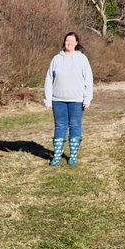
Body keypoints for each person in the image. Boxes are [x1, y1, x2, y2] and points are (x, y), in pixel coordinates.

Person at [43, 31, 94, 166]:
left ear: (76, 43)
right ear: (64, 42)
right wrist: (48, 99)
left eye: (72, 41)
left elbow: (88, 79)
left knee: (75, 126)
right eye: (67, 40)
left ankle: (73, 155)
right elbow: (49, 79)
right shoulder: (56, 59)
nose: (69, 43)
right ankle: (57, 155)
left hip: (77, 100)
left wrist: (87, 98)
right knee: (60, 126)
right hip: (58, 100)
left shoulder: (82, 59)